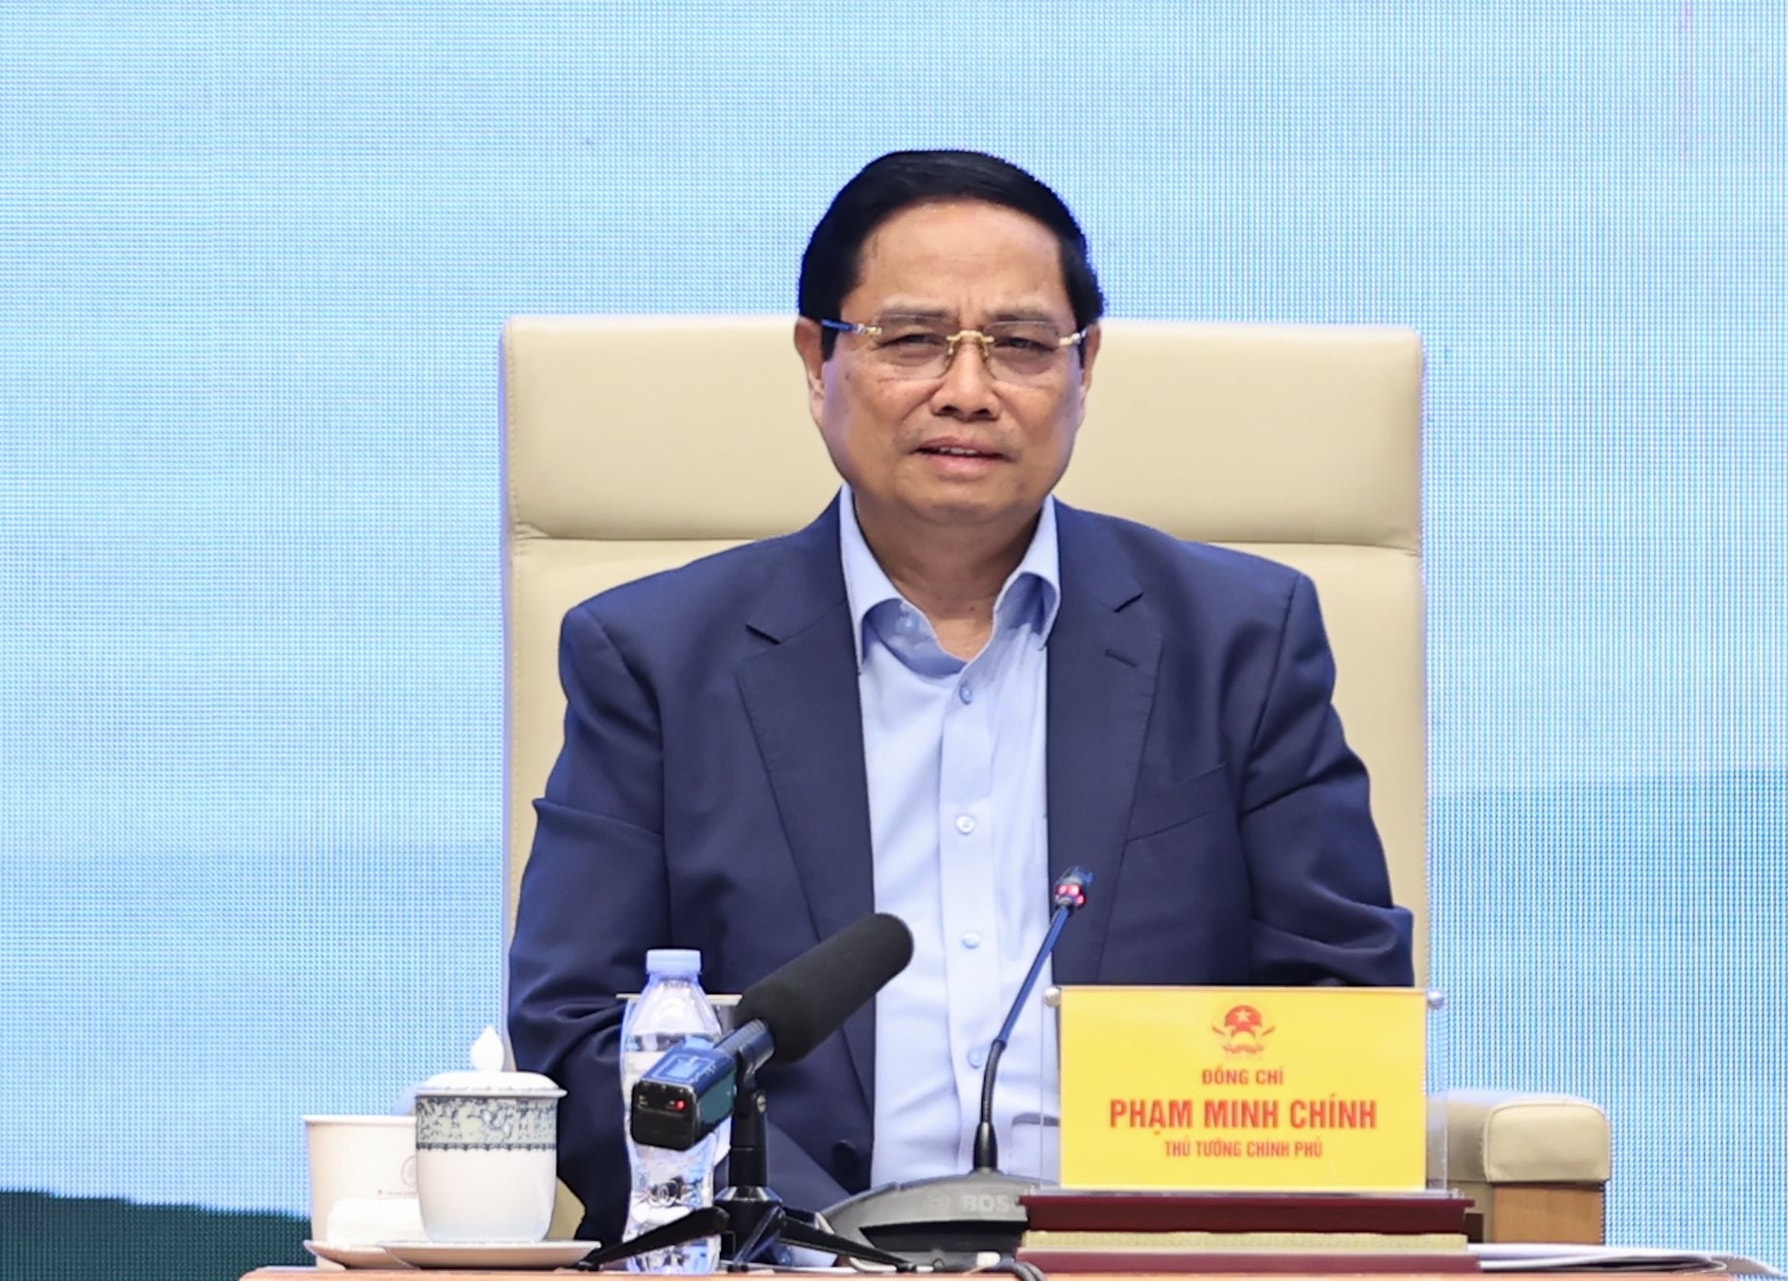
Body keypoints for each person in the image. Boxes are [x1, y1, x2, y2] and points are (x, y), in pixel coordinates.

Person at [506, 149, 1414, 1242]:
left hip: (1139, 1262)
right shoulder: (655, 659)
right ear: (816, 362)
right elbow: (577, 1028)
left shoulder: (1240, 642)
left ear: (1085, 369)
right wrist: (806, 1247)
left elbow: (1341, 1007)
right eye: (912, 340)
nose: (969, 392)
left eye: (1022, 346)